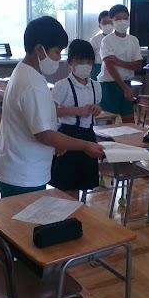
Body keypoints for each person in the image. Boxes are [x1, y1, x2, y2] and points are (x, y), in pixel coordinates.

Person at [0, 16, 104, 198]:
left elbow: (38, 122)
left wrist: (56, 144)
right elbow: (44, 135)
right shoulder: (32, 84)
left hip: (17, 165)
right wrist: (84, 146)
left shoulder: (25, 71)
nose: (59, 58)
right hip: (23, 174)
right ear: (39, 49)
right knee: (26, 217)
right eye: (57, 52)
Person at [50, 39, 102, 197]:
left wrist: (97, 109)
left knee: (82, 181)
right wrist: (76, 111)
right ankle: (67, 210)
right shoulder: (62, 85)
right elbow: (51, 112)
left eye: (88, 62)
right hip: (68, 135)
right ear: (70, 63)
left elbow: (98, 107)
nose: (85, 65)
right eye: (80, 61)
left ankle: (79, 209)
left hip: (88, 135)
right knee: (66, 184)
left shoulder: (96, 85)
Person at [98, 4, 143, 123]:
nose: (122, 21)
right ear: (112, 21)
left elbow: (138, 65)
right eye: (118, 18)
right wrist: (125, 87)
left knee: (129, 121)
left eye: (125, 18)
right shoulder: (107, 40)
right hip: (109, 85)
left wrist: (119, 62)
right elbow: (110, 66)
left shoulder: (133, 40)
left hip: (127, 83)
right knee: (107, 122)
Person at [89, 10, 113, 80]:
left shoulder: (118, 39)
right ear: (99, 25)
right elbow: (90, 58)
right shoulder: (94, 40)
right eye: (105, 22)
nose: (108, 24)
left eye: (110, 22)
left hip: (114, 68)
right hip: (98, 69)